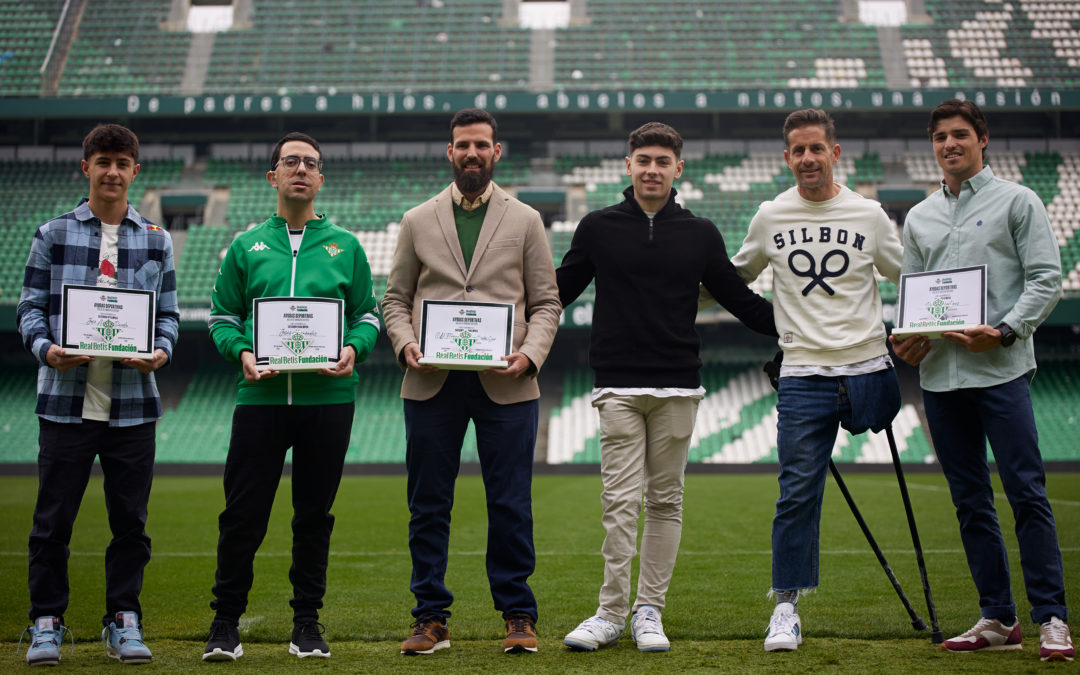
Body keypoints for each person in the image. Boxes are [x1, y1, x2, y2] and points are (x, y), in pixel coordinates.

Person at [556, 122, 776, 652]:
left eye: (662, 161)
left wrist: (805, 331)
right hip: (617, 384)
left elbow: (740, 299)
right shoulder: (597, 227)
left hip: (679, 385)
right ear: (627, 166)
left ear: (679, 168)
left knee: (666, 501)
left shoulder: (701, 233)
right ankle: (609, 613)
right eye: (643, 160)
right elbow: (556, 292)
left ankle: (648, 612)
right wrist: (502, 325)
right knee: (619, 502)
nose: (652, 169)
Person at [715, 109, 904, 651]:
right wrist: (671, 290)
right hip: (802, 372)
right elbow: (736, 277)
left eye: (816, 148)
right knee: (796, 492)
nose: (807, 159)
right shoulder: (771, 215)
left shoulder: (868, 214)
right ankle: (786, 606)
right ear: (787, 158)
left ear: (834, 153)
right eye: (797, 151)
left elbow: (904, 274)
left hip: (869, 366)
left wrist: (926, 324)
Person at [890, 99, 1072, 662]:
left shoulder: (1018, 201)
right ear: (933, 145)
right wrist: (908, 337)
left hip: (1001, 371)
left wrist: (1007, 329)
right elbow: (915, 297)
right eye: (941, 136)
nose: (950, 144)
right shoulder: (918, 217)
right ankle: (997, 616)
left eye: (960, 134)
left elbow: (1047, 280)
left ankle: (1052, 619)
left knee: (1026, 493)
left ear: (982, 139)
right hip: (942, 378)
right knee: (970, 502)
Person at [381, 108, 561, 655]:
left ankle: (517, 613)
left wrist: (528, 357)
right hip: (432, 381)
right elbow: (394, 300)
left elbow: (547, 302)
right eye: (463, 145)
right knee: (428, 502)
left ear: (496, 152)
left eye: (482, 145)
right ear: (450, 152)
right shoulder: (417, 219)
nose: (472, 154)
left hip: (505, 381)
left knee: (510, 501)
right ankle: (430, 617)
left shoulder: (526, 219)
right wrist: (406, 343)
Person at [202, 132, 381, 661]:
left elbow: (368, 313)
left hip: (328, 399)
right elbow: (221, 316)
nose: (301, 169)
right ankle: (225, 623)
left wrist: (355, 347)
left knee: (313, 516)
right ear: (273, 176)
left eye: (311, 162)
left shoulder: (346, 245)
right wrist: (241, 353)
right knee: (242, 515)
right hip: (259, 399)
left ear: (321, 178)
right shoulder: (245, 244)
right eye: (291, 161)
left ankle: (307, 624)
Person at [16, 123, 178, 666]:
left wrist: (160, 352)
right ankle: (46, 621)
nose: (112, 171)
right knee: (52, 520)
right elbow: (30, 307)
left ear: (136, 171)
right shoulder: (52, 232)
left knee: (131, 522)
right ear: (85, 167)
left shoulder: (157, 238)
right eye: (102, 161)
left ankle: (123, 619)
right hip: (65, 398)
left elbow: (170, 317)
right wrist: (46, 349)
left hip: (133, 404)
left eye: (122, 162)